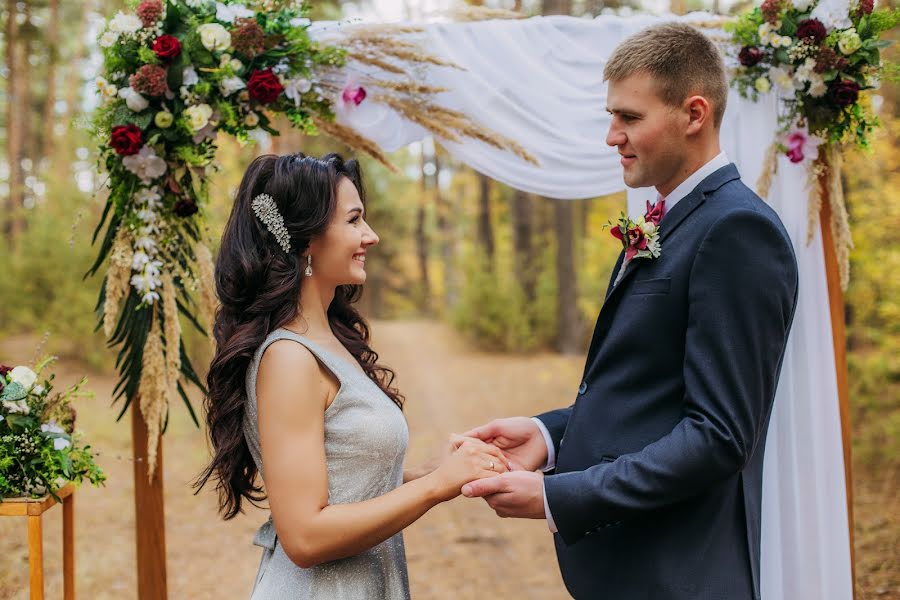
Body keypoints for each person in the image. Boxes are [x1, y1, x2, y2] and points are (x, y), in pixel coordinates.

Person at [461, 23, 799, 600]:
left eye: (630, 118)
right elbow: (645, 389)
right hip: (633, 571)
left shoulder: (737, 230)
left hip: (678, 575)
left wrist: (556, 496)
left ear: (694, 114)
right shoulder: (672, 220)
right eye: (611, 116)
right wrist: (549, 434)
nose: (611, 136)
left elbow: (718, 436)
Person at [196, 153, 509, 598]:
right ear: (305, 240)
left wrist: (434, 471)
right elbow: (304, 537)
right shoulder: (288, 357)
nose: (371, 236)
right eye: (355, 220)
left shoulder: (328, 338)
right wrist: (437, 488)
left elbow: (345, 479)